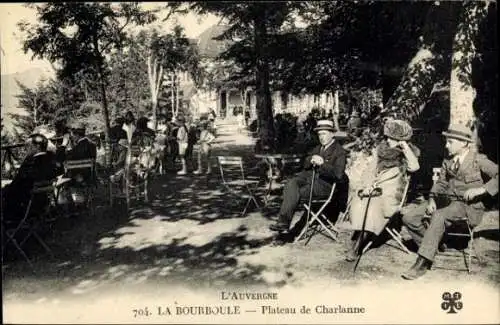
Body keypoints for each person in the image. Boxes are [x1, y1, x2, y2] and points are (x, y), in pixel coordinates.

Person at [401, 124, 498, 280]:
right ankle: (434, 245)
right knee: (409, 218)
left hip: (468, 206)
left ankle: (423, 262)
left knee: (439, 216)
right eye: (447, 141)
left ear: (464, 143)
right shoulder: (448, 161)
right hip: (446, 201)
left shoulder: (478, 160)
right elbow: (440, 184)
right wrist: (432, 199)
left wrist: (482, 190)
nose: (446, 145)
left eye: (450, 142)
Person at [345, 119, 420, 261]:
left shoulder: (408, 153)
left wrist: (404, 147)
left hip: (391, 194)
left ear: (401, 139)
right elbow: (369, 171)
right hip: (374, 190)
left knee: (372, 205)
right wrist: (367, 186)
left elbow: (414, 167)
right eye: (388, 137)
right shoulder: (380, 150)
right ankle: (357, 239)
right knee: (361, 200)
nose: (388, 141)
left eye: (393, 138)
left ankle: (357, 247)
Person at [269, 120, 350, 237]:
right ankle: (283, 222)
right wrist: (310, 159)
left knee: (295, 192)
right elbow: (305, 164)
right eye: (319, 134)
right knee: (291, 183)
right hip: (309, 178)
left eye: (324, 134)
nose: (321, 137)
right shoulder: (318, 148)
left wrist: (323, 164)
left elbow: (338, 175)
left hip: (324, 186)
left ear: (332, 134)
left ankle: (290, 225)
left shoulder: (339, 151)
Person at [2, 133, 59, 222]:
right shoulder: (50, 159)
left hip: (25, 207)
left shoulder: (30, 162)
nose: (26, 149)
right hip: (42, 203)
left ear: (36, 147)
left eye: (28, 146)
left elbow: (17, 184)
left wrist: (5, 188)